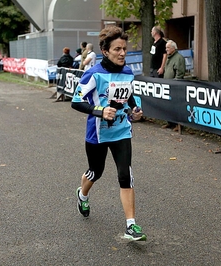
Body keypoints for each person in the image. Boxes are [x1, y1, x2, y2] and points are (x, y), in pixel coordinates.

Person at [71, 25, 146, 241]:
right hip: (98, 134)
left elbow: (129, 96)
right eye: (117, 49)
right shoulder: (93, 74)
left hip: (122, 131)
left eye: (124, 48)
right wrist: (100, 111)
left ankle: (131, 226)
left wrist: (135, 110)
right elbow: (76, 102)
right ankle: (82, 193)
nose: (123, 53)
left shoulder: (128, 72)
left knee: (125, 175)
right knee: (96, 171)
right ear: (105, 51)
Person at [162, 40, 186, 131]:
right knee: (168, 105)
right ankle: (170, 123)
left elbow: (179, 73)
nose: (166, 49)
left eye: (168, 47)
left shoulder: (178, 58)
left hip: (174, 86)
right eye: (166, 47)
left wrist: (175, 84)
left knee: (176, 106)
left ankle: (178, 124)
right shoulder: (169, 57)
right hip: (168, 85)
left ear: (173, 48)